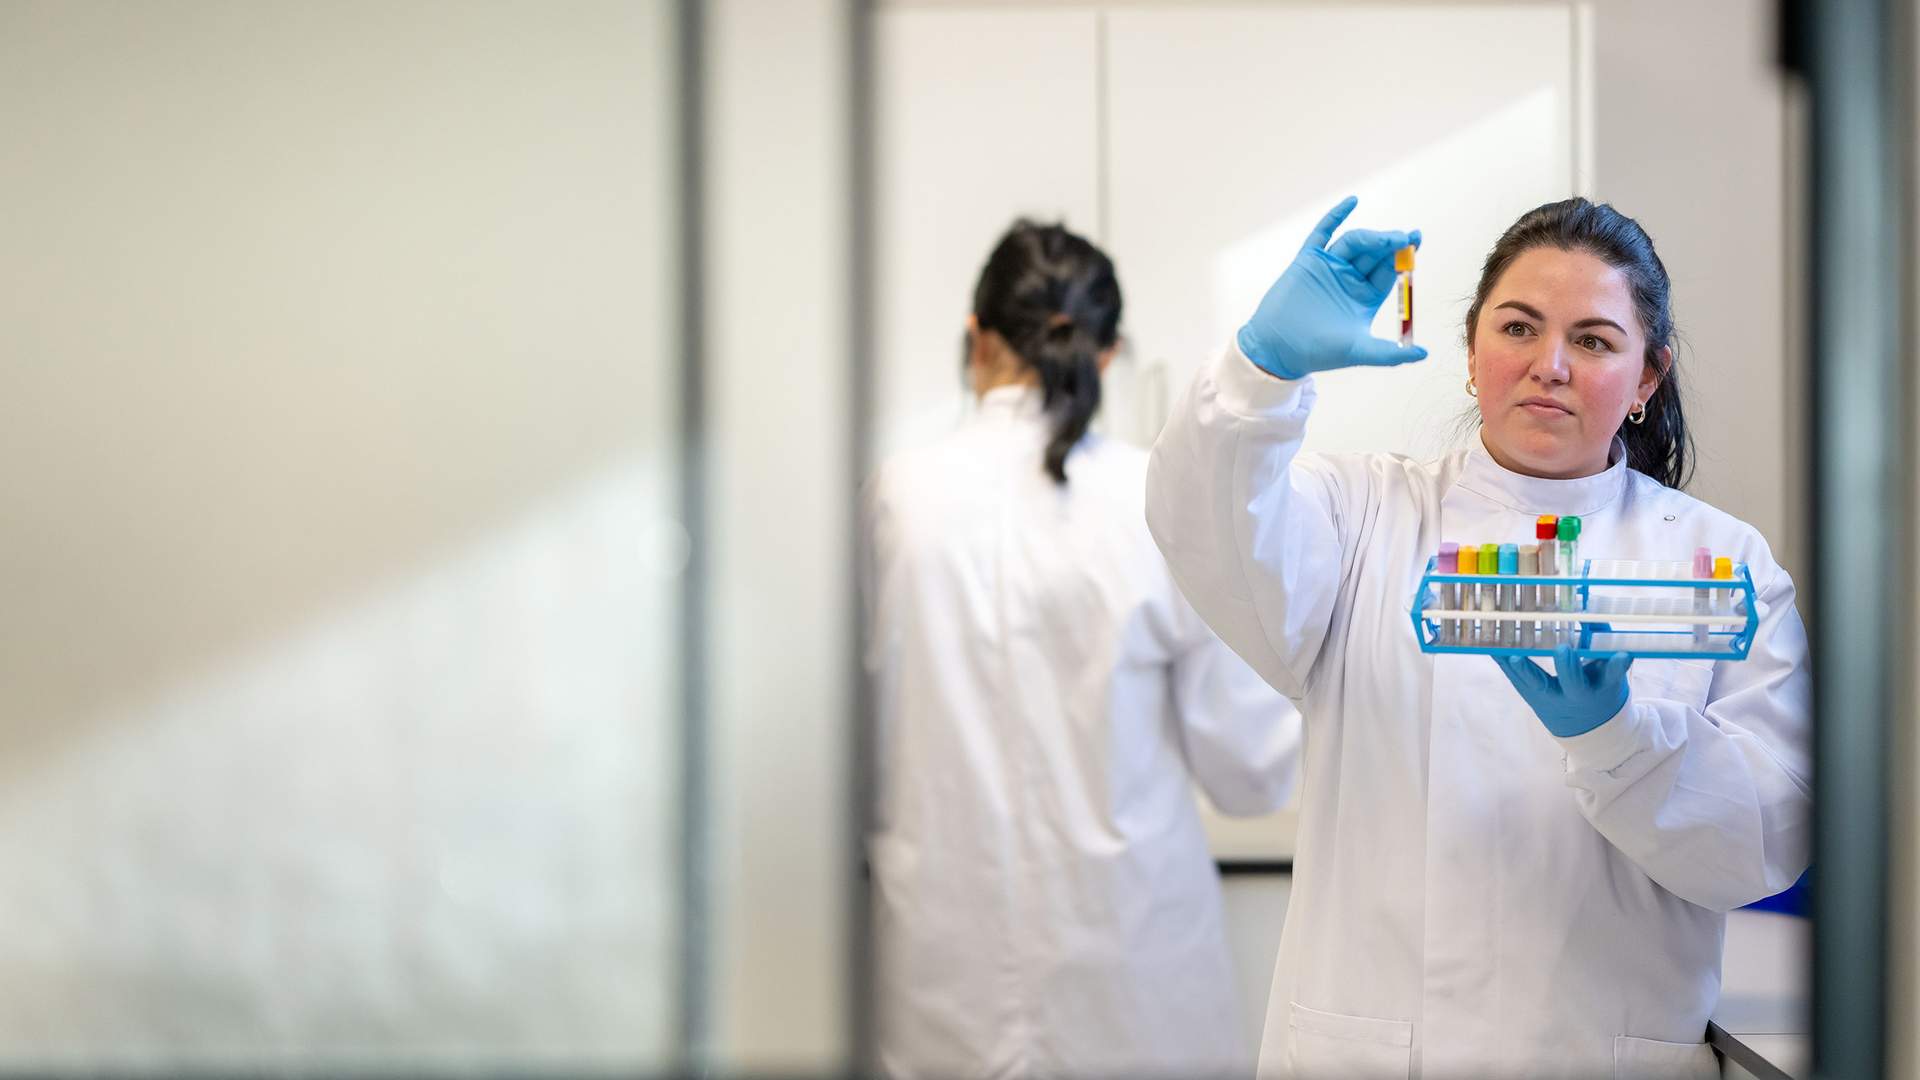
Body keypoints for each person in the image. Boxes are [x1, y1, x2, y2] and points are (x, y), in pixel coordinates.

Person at [1146, 196, 1811, 1080]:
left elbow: (1767, 840)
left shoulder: (1720, 563)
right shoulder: (1361, 516)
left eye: (1595, 341)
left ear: (1648, 379)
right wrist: (1257, 375)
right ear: (1470, 353)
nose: (1550, 366)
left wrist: (1620, 743)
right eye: (1519, 327)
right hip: (1373, 1052)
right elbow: (1208, 524)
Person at [862, 220, 1304, 1079]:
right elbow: (1251, 771)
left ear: (976, 340)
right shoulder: (1156, 496)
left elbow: (850, 752)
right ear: (1108, 358)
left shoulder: (897, 500)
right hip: (1135, 981)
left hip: (943, 986)